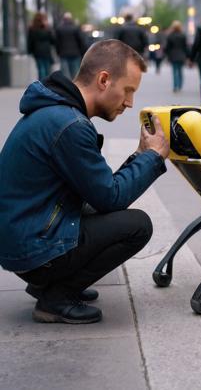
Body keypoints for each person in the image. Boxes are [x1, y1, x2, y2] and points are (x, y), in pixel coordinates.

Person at [0, 39, 169, 324]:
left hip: (24, 237)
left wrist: (140, 155)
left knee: (107, 210)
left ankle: (54, 283)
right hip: (32, 247)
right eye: (128, 90)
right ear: (104, 80)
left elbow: (99, 189)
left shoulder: (58, 113)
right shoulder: (70, 125)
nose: (130, 103)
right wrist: (153, 157)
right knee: (137, 225)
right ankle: (56, 296)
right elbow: (110, 197)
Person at [55, 12, 87, 79]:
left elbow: (57, 42)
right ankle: (74, 88)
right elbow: (80, 41)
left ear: (64, 19)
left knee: (65, 75)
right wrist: (82, 52)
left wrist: (58, 52)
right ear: (71, 19)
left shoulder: (59, 29)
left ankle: (66, 88)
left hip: (63, 54)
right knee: (75, 74)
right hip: (75, 53)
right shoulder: (75, 28)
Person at [27, 12, 55, 80]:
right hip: (46, 51)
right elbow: (53, 40)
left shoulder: (32, 29)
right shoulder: (47, 29)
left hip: (37, 52)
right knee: (47, 69)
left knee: (40, 69)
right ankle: (47, 84)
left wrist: (29, 51)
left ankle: (41, 84)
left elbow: (30, 41)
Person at [165, 20, 188, 92]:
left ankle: (175, 86)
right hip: (182, 55)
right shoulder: (183, 35)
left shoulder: (170, 36)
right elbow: (185, 47)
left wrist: (167, 55)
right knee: (180, 71)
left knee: (175, 71)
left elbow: (167, 47)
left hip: (173, 55)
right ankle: (180, 85)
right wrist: (187, 56)